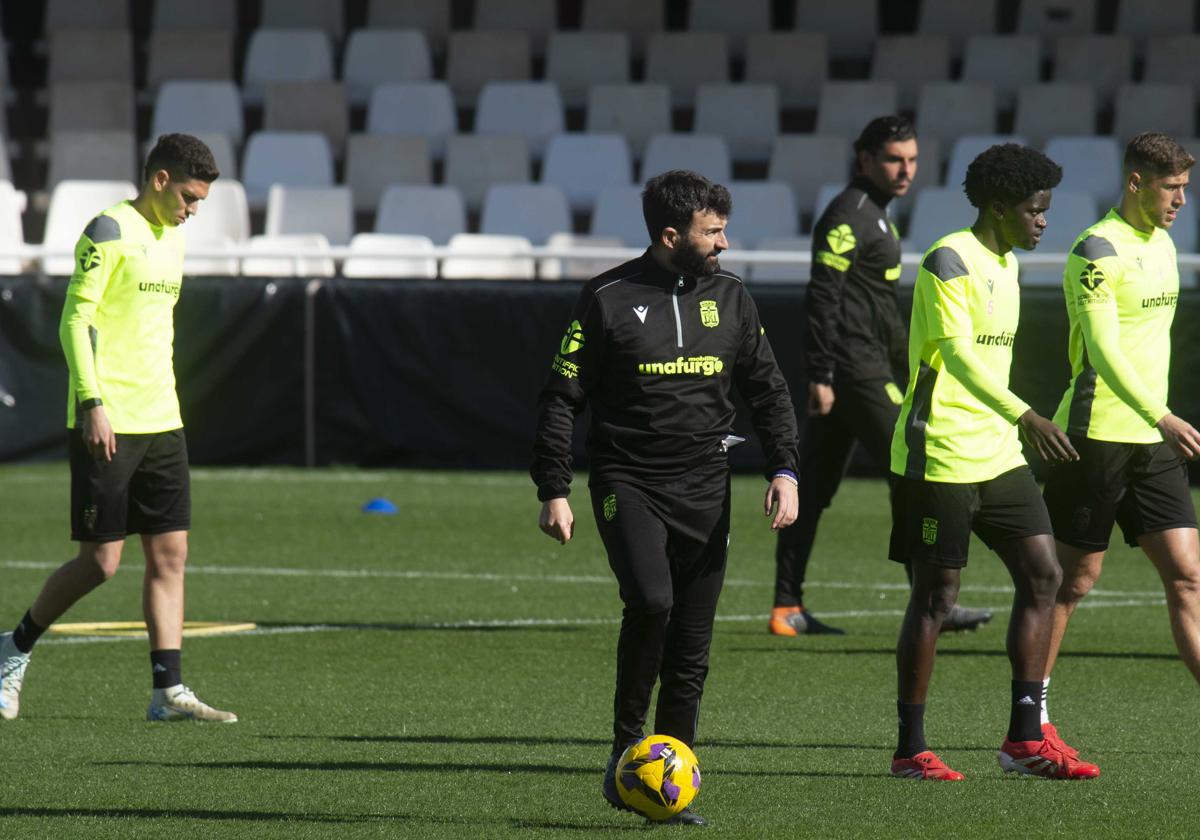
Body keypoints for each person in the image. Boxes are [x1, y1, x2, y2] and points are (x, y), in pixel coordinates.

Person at [531, 170, 800, 825]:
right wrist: (555, 489)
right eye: (713, 233)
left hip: (708, 484)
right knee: (652, 602)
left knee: (693, 643)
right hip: (630, 480)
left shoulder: (733, 298)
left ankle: (672, 776)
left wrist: (786, 469)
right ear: (671, 234)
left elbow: (767, 389)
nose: (725, 244)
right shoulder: (607, 296)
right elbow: (562, 398)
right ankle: (626, 754)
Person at [0, 134, 236, 723]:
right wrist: (92, 401)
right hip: (108, 418)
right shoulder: (108, 230)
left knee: (171, 555)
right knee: (100, 563)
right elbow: (75, 320)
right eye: (188, 195)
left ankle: (168, 691)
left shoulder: (174, 239)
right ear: (159, 179)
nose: (192, 210)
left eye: (201, 200)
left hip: (163, 417)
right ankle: (14, 648)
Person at [888, 144, 1098, 781]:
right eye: (1035, 211)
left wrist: (1013, 425)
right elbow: (956, 354)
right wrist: (1027, 415)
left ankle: (1024, 741)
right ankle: (910, 750)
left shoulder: (1007, 263)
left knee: (1043, 575)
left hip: (997, 454)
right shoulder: (949, 259)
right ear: (1000, 208)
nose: (1043, 223)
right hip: (941, 451)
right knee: (937, 597)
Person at [770, 116, 993, 637]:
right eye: (895, 159)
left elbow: (878, 308)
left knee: (816, 486)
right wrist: (820, 373)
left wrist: (909, 362)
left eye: (912, 160)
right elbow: (823, 297)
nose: (905, 169)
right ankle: (934, 599)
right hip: (852, 370)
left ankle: (786, 608)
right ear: (864, 159)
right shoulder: (848, 216)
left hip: (865, 365)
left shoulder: (878, 217)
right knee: (915, 469)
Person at [1040, 133, 1200, 760]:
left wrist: (1156, 422)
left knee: (1187, 576)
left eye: (1186, 188)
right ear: (1136, 182)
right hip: (1097, 435)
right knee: (1073, 581)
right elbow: (1103, 350)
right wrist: (1160, 413)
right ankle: (1033, 714)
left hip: (1150, 442)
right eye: (1171, 188)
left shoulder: (1162, 243)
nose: (1181, 201)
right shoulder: (1095, 249)